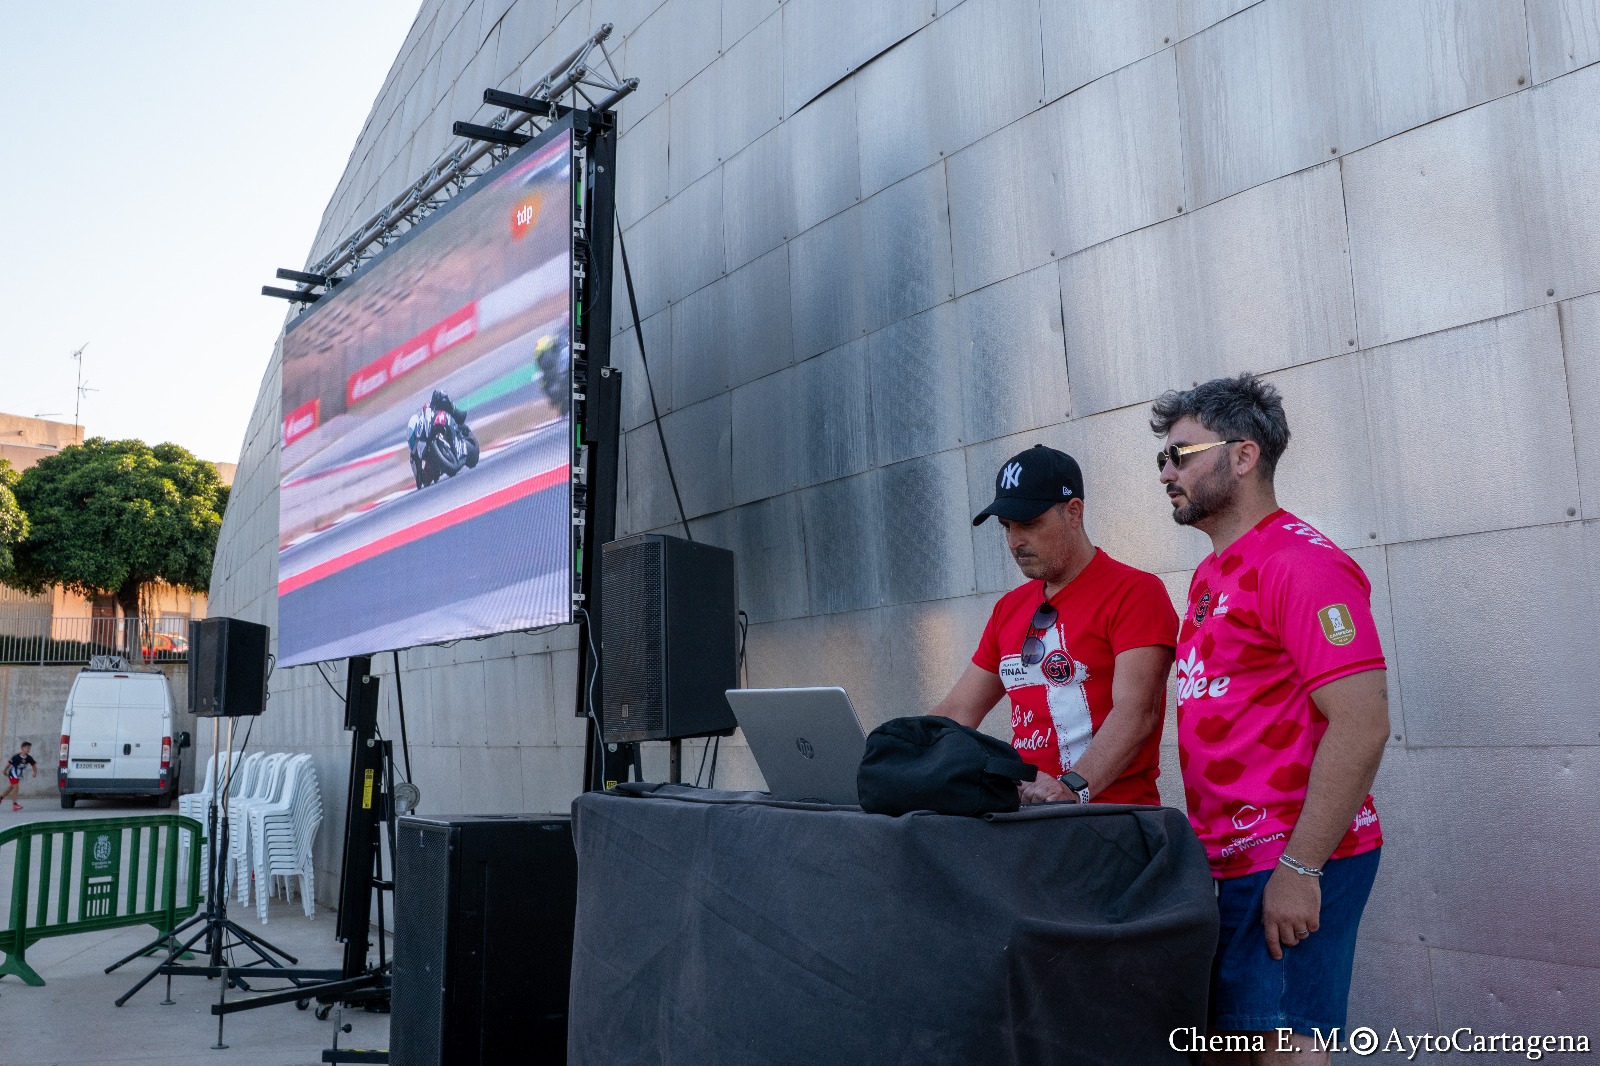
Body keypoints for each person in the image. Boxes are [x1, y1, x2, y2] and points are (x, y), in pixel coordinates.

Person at [1151, 373, 1388, 1064]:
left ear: (1243, 456)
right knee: (1235, 1046)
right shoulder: (1212, 573)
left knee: (1285, 1044)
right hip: (1230, 858)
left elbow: (1362, 723)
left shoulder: (1300, 564)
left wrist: (1300, 867)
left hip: (1288, 852)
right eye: (1162, 458)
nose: (1165, 473)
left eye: (1181, 454)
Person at [929, 445, 1178, 805]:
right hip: (1028, 817)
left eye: (1029, 523)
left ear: (1074, 512)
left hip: (1109, 819)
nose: (1015, 541)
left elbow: (1137, 714)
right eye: (1006, 527)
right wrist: (896, 753)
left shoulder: (1135, 592)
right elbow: (958, 712)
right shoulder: (1008, 608)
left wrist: (1071, 788)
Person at [4, 741, 38, 811]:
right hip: (13, 773)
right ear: (23, 748)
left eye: (29, 748)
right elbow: (9, 764)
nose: (28, 750)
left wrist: (35, 773)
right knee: (16, 787)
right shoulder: (16, 756)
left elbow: (33, 765)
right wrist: (5, 770)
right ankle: (15, 805)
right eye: (27, 748)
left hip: (18, 775)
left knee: (10, 788)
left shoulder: (29, 758)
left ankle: (1, 798)